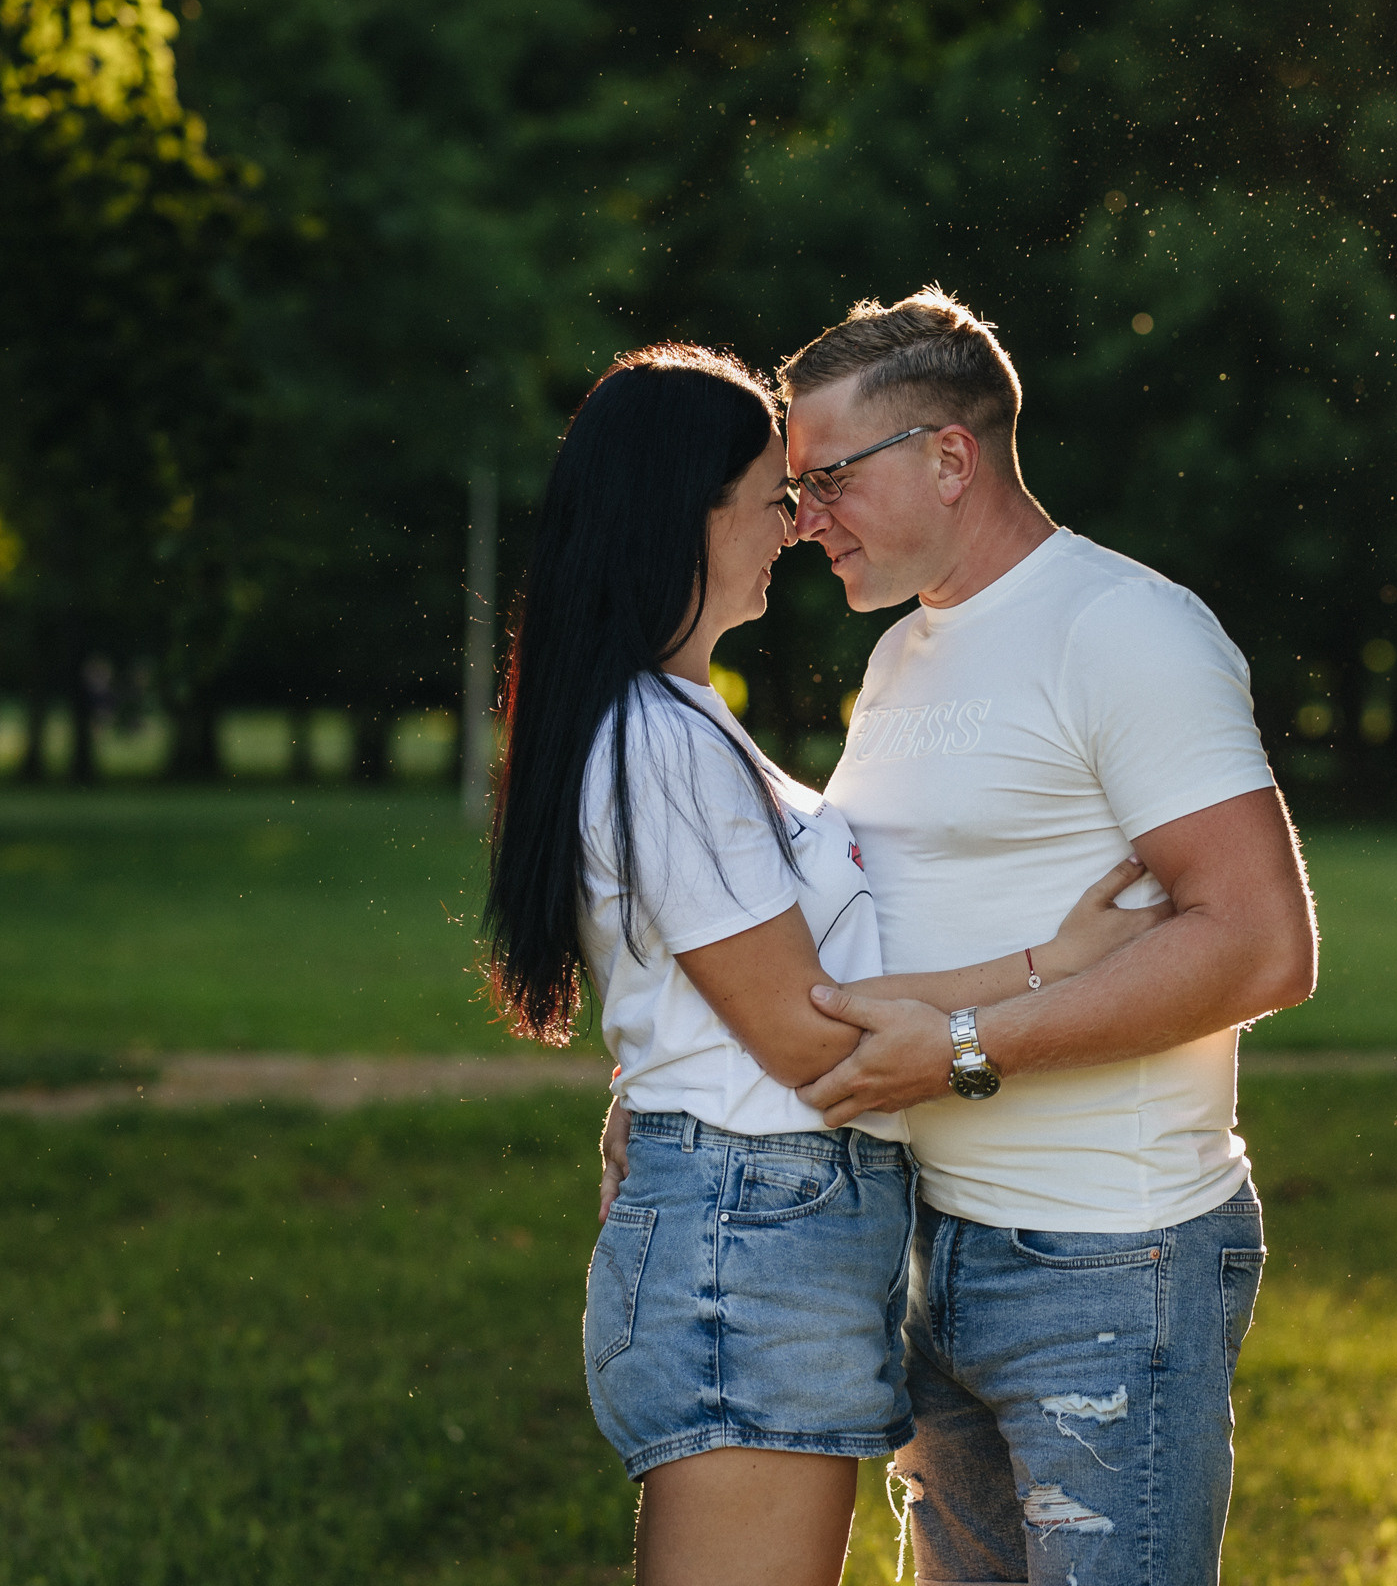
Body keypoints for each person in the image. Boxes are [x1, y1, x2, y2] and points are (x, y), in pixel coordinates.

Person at [481, 342, 1166, 1586]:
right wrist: (1049, 967)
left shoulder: (683, 724)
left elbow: (741, 992)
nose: (797, 527)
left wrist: (655, 1078)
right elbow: (807, 1035)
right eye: (772, 498)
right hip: (753, 1238)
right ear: (688, 517)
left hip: (774, 1231)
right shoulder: (660, 741)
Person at [776, 288, 1319, 1585]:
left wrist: (967, 1047)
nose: (803, 521)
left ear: (949, 457)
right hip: (929, 1246)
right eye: (795, 490)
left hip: (1107, 1263)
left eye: (830, 480)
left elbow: (1261, 944)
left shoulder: (1124, 630)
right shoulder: (902, 658)